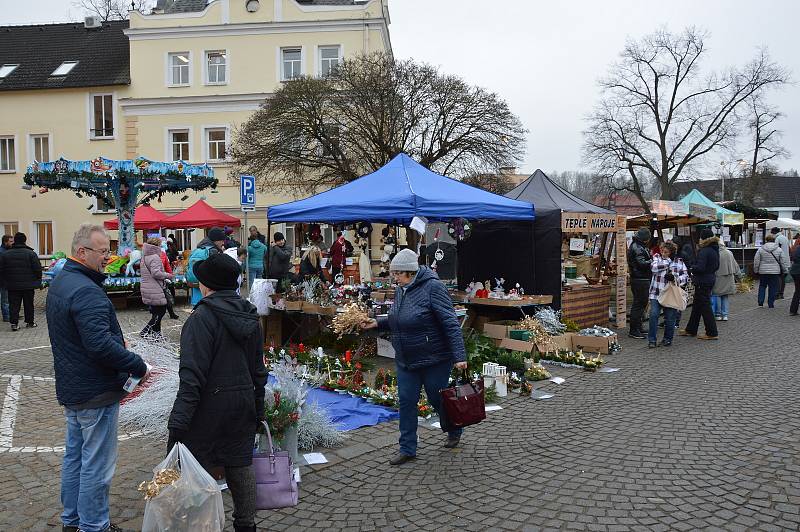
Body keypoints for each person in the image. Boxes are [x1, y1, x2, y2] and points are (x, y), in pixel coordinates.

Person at [47, 224, 148, 532]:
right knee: (96, 465)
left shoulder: (62, 282)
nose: (108, 257)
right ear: (82, 252)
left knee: (75, 457)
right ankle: (93, 525)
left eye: (109, 250)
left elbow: (83, 337)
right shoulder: (86, 289)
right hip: (95, 389)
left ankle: (73, 521)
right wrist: (138, 365)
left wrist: (116, 343)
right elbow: (99, 345)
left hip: (75, 387)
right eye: (103, 251)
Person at [168, 252, 267, 532]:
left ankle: (204, 524)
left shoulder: (201, 319)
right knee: (240, 462)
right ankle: (246, 524)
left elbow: (191, 377)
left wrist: (178, 424)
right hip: (242, 402)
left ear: (206, 285)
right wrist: (258, 409)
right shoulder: (250, 315)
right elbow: (258, 371)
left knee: (200, 468)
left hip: (208, 408)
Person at [360, 249, 468, 465]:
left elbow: (450, 323)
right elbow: (398, 318)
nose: (394, 278)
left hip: (434, 358)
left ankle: (454, 428)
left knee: (436, 398)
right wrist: (378, 323)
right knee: (406, 401)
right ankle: (407, 448)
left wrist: (459, 356)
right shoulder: (402, 289)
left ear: (410, 273)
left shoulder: (433, 288)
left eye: (398, 274)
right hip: (406, 358)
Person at [680, 228, 720, 340]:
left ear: (703, 239)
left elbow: (700, 267)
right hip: (709, 278)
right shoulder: (714, 249)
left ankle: (712, 332)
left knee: (705, 307)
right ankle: (691, 329)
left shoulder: (705, 250)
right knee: (697, 306)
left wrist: (692, 268)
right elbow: (717, 266)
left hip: (703, 280)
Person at [647, 241, 688, 348]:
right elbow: (654, 268)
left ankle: (667, 339)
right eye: (662, 251)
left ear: (671, 252)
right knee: (653, 315)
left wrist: (675, 278)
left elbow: (685, 277)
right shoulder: (656, 257)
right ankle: (652, 340)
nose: (663, 253)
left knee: (670, 318)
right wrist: (668, 262)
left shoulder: (679, 262)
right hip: (656, 293)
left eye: (666, 252)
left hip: (670, 294)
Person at [0, 232, 42, 331]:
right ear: (24, 240)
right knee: (29, 304)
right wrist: (38, 279)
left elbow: (1, 270)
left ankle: (14, 324)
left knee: (13, 304)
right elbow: (37, 269)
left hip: (12, 285)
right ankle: (30, 322)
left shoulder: (6, 254)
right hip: (28, 285)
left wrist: (4, 282)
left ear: (15, 241)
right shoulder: (31, 253)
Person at [140, 238, 175, 339]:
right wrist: (168, 275)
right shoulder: (155, 257)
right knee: (160, 312)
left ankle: (157, 336)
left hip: (148, 288)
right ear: (157, 246)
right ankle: (145, 331)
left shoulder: (145, 256)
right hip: (155, 288)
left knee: (156, 312)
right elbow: (156, 273)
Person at [186, 227, 225, 306]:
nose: (223, 243)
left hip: (196, 286)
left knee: (197, 309)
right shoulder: (213, 251)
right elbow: (218, 270)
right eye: (222, 240)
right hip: (208, 290)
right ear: (216, 240)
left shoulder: (198, 249)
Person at [627, 227, 652, 339]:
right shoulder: (637, 247)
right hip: (640, 279)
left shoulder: (638, 246)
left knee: (640, 304)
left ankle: (638, 327)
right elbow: (641, 263)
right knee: (639, 304)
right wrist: (652, 260)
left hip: (640, 278)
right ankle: (634, 330)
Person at [753, 233, 790, 309]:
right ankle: (771, 304)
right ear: (774, 240)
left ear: (766, 240)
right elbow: (783, 261)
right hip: (775, 272)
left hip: (763, 272)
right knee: (773, 287)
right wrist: (785, 270)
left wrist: (756, 270)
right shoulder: (779, 249)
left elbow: (756, 261)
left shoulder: (761, 249)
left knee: (762, 286)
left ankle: (760, 302)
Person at [711, 241, 738, 321]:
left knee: (718, 295)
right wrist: (739, 276)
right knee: (725, 296)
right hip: (729, 276)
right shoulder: (729, 252)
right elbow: (735, 265)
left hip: (718, 276)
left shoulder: (715, 253)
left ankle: (718, 314)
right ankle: (725, 314)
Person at [771, 227, 790, 299]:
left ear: (774, 232)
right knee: (783, 279)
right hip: (786, 260)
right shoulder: (785, 238)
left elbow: (776, 250)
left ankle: (778, 294)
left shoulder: (777, 239)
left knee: (778, 278)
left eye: (772, 233)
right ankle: (781, 293)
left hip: (780, 261)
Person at [0, 234, 11, 322]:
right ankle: (6, 316)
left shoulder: (6, 251)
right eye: (10, 241)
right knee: (5, 299)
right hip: (3, 280)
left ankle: (10, 314)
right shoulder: (2, 252)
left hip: (7, 279)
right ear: (5, 242)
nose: (12, 243)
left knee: (9, 298)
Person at [790, 243, 800, 316]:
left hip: (794, 271)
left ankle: (793, 310)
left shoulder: (797, 248)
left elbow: (792, 257)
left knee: (797, 291)